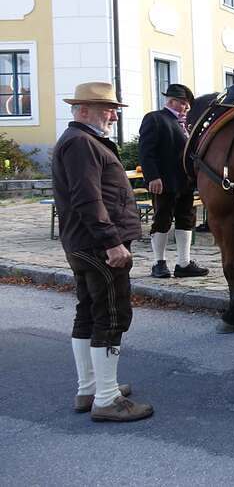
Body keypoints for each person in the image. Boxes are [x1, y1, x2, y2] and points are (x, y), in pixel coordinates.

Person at [51, 82, 154, 422]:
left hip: (84, 243)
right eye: (106, 108)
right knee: (111, 317)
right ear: (82, 110)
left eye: (113, 108)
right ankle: (106, 399)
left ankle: (91, 388)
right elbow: (87, 199)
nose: (113, 114)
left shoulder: (81, 140)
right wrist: (112, 242)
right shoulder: (82, 142)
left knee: (88, 313)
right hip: (98, 246)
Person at [138, 83, 208, 279]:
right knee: (162, 220)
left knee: (186, 220)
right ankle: (158, 263)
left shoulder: (188, 124)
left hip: (186, 181)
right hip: (164, 181)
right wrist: (152, 176)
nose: (187, 107)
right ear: (171, 101)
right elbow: (146, 151)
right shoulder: (155, 118)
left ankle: (183, 263)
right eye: (184, 103)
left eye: (188, 104)